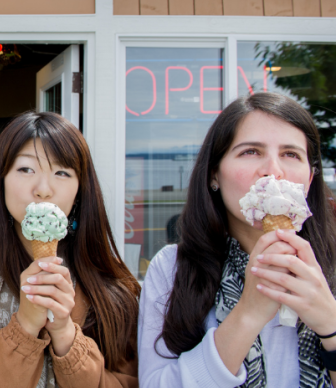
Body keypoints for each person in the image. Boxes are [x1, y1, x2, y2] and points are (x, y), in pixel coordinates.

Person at [138, 92, 336, 387]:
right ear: (213, 174)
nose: (273, 171)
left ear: (308, 180)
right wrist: (248, 314)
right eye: (251, 151)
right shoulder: (172, 268)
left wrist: (330, 324)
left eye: (291, 154)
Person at [0, 111, 141, 388]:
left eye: (61, 172)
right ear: (1, 180)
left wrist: (64, 331)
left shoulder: (115, 285)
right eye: (26, 169)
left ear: (80, 190)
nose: (43, 189)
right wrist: (26, 325)